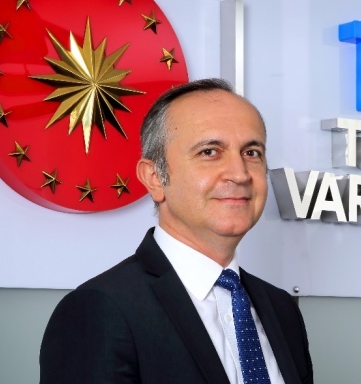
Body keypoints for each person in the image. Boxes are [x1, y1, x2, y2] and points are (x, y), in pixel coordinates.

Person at [39, 78, 313, 384]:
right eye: (209, 152)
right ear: (154, 178)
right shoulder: (99, 310)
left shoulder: (282, 310)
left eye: (251, 153)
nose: (240, 174)